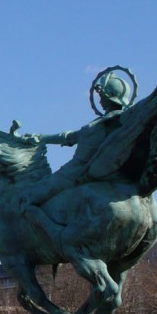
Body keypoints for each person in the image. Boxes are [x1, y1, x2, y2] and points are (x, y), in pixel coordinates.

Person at [18, 71, 132, 210]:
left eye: (101, 96)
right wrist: (40, 138)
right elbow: (69, 137)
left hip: (75, 172)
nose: (100, 100)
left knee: (27, 197)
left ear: (107, 96)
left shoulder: (97, 126)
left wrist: (40, 138)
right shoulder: (124, 124)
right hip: (104, 175)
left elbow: (70, 137)